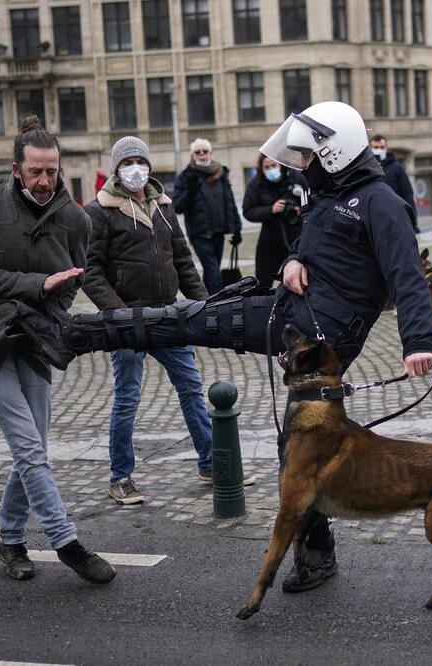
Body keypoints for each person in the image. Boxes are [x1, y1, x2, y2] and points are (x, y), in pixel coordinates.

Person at [18, 101, 432, 594]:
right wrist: (294, 262)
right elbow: (312, 242)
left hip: (324, 341)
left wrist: (419, 341)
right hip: (291, 314)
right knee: (186, 320)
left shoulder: (380, 201)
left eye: (311, 154)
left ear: (336, 151)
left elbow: (407, 275)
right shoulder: (330, 192)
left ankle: (317, 559)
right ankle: (73, 336)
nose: (304, 163)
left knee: (294, 451)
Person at [0, 115, 116, 583]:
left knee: (34, 450)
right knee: (29, 448)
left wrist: (52, 294)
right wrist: (37, 285)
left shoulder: (74, 218)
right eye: (36, 172)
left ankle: (10, 540)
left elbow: (72, 282)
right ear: (15, 169)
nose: (45, 180)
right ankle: (67, 543)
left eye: (52, 171)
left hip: (36, 338)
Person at [83, 136, 223, 505]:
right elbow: (90, 270)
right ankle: (121, 476)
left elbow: (183, 261)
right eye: (127, 162)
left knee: (192, 388)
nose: (135, 168)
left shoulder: (163, 206)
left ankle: (211, 462)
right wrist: (117, 312)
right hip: (128, 323)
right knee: (128, 398)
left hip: (167, 316)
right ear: (116, 169)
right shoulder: (99, 211)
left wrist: (206, 306)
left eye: (140, 161)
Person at [172, 138, 243, 294]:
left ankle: (204, 301)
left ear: (210, 153)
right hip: (200, 233)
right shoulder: (186, 176)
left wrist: (237, 228)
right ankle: (218, 303)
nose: (202, 155)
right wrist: (190, 192)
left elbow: (229, 201)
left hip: (219, 231)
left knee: (212, 271)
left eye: (205, 151)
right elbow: (176, 207)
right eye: (198, 152)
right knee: (214, 272)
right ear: (193, 155)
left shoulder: (221, 173)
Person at [242, 153, 309, 288]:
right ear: (261, 169)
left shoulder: (297, 178)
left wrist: (301, 211)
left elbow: (314, 202)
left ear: (281, 165)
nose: (271, 169)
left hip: (297, 238)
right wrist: (271, 210)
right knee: (262, 282)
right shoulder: (256, 184)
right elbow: (248, 211)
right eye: (267, 167)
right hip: (269, 240)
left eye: (274, 165)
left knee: (299, 278)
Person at [370, 134, 417, 231]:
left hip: (395, 216)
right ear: (370, 148)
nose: (379, 150)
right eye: (376, 147)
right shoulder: (367, 168)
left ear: (386, 149)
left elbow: (407, 194)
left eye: (382, 147)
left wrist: (413, 222)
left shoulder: (397, 168)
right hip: (373, 217)